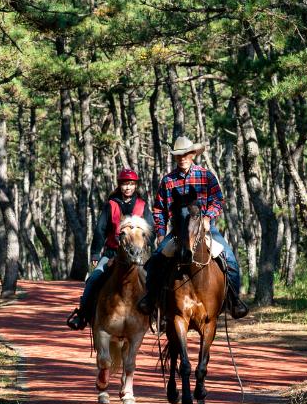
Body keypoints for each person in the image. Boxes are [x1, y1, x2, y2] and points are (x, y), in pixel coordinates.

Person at [136, 136, 249, 319]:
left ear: (193, 154)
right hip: (178, 231)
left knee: (230, 259)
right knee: (155, 260)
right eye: (179, 155)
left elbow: (218, 200)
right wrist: (161, 232)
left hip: (204, 228)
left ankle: (233, 301)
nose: (183, 158)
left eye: (186, 154)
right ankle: (152, 300)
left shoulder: (205, 176)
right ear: (175, 157)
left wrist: (208, 218)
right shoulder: (168, 180)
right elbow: (159, 209)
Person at [66, 168, 149, 331]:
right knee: (94, 279)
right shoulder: (111, 205)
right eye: (125, 184)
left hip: (138, 255)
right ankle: (82, 314)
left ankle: (157, 316)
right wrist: (96, 253)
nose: (128, 188)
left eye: (131, 184)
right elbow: (100, 230)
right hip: (112, 252)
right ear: (120, 186)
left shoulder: (142, 205)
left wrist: (145, 246)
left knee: (152, 280)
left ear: (135, 186)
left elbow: (150, 229)